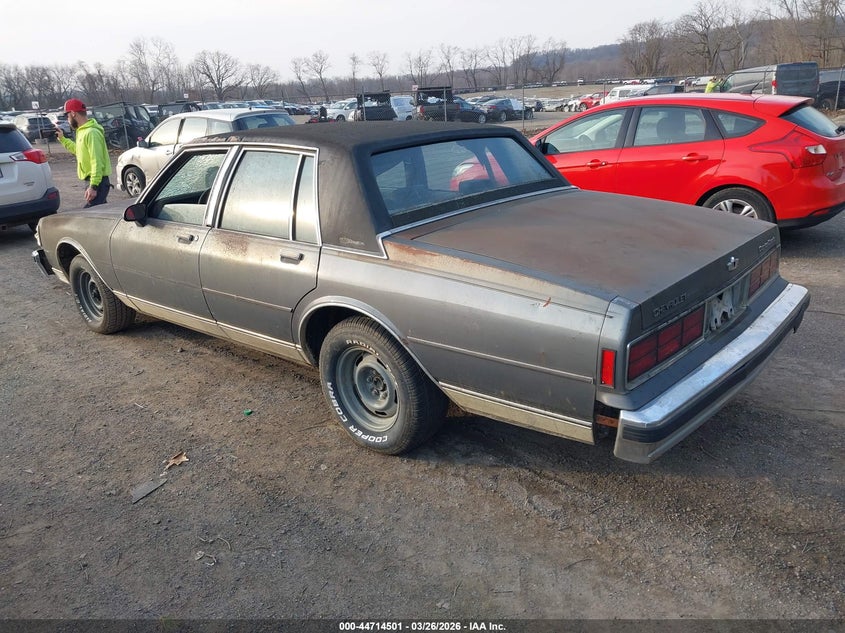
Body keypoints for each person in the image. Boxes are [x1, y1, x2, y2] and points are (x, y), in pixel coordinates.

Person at [55, 98, 112, 207]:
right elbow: (78, 151)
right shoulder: (82, 131)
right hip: (93, 181)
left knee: (90, 215)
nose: (67, 119)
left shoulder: (92, 133)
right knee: (102, 214)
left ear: (73, 113)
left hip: (97, 182)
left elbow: (97, 161)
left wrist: (94, 186)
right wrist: (62, 139)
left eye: (67, 116)